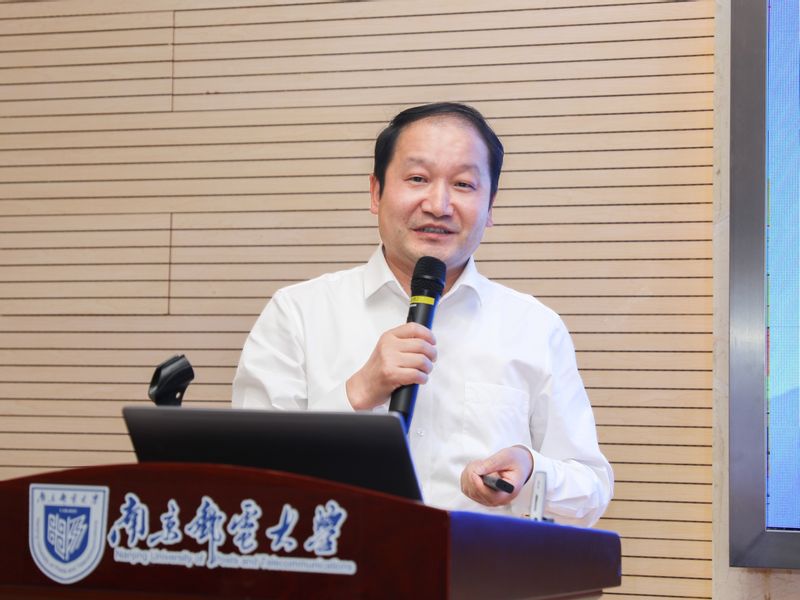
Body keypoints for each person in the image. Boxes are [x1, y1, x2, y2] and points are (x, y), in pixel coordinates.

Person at [232, 102, 613, 527]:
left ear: (490, 206)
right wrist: (358, 392)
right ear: (376, 192)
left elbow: (591, 488)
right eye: (418, 179)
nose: (438, 204)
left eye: (464, 184)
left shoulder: (534, 327)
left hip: (475, 566)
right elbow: (246, 476)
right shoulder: (297, 313)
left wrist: (529, 472)